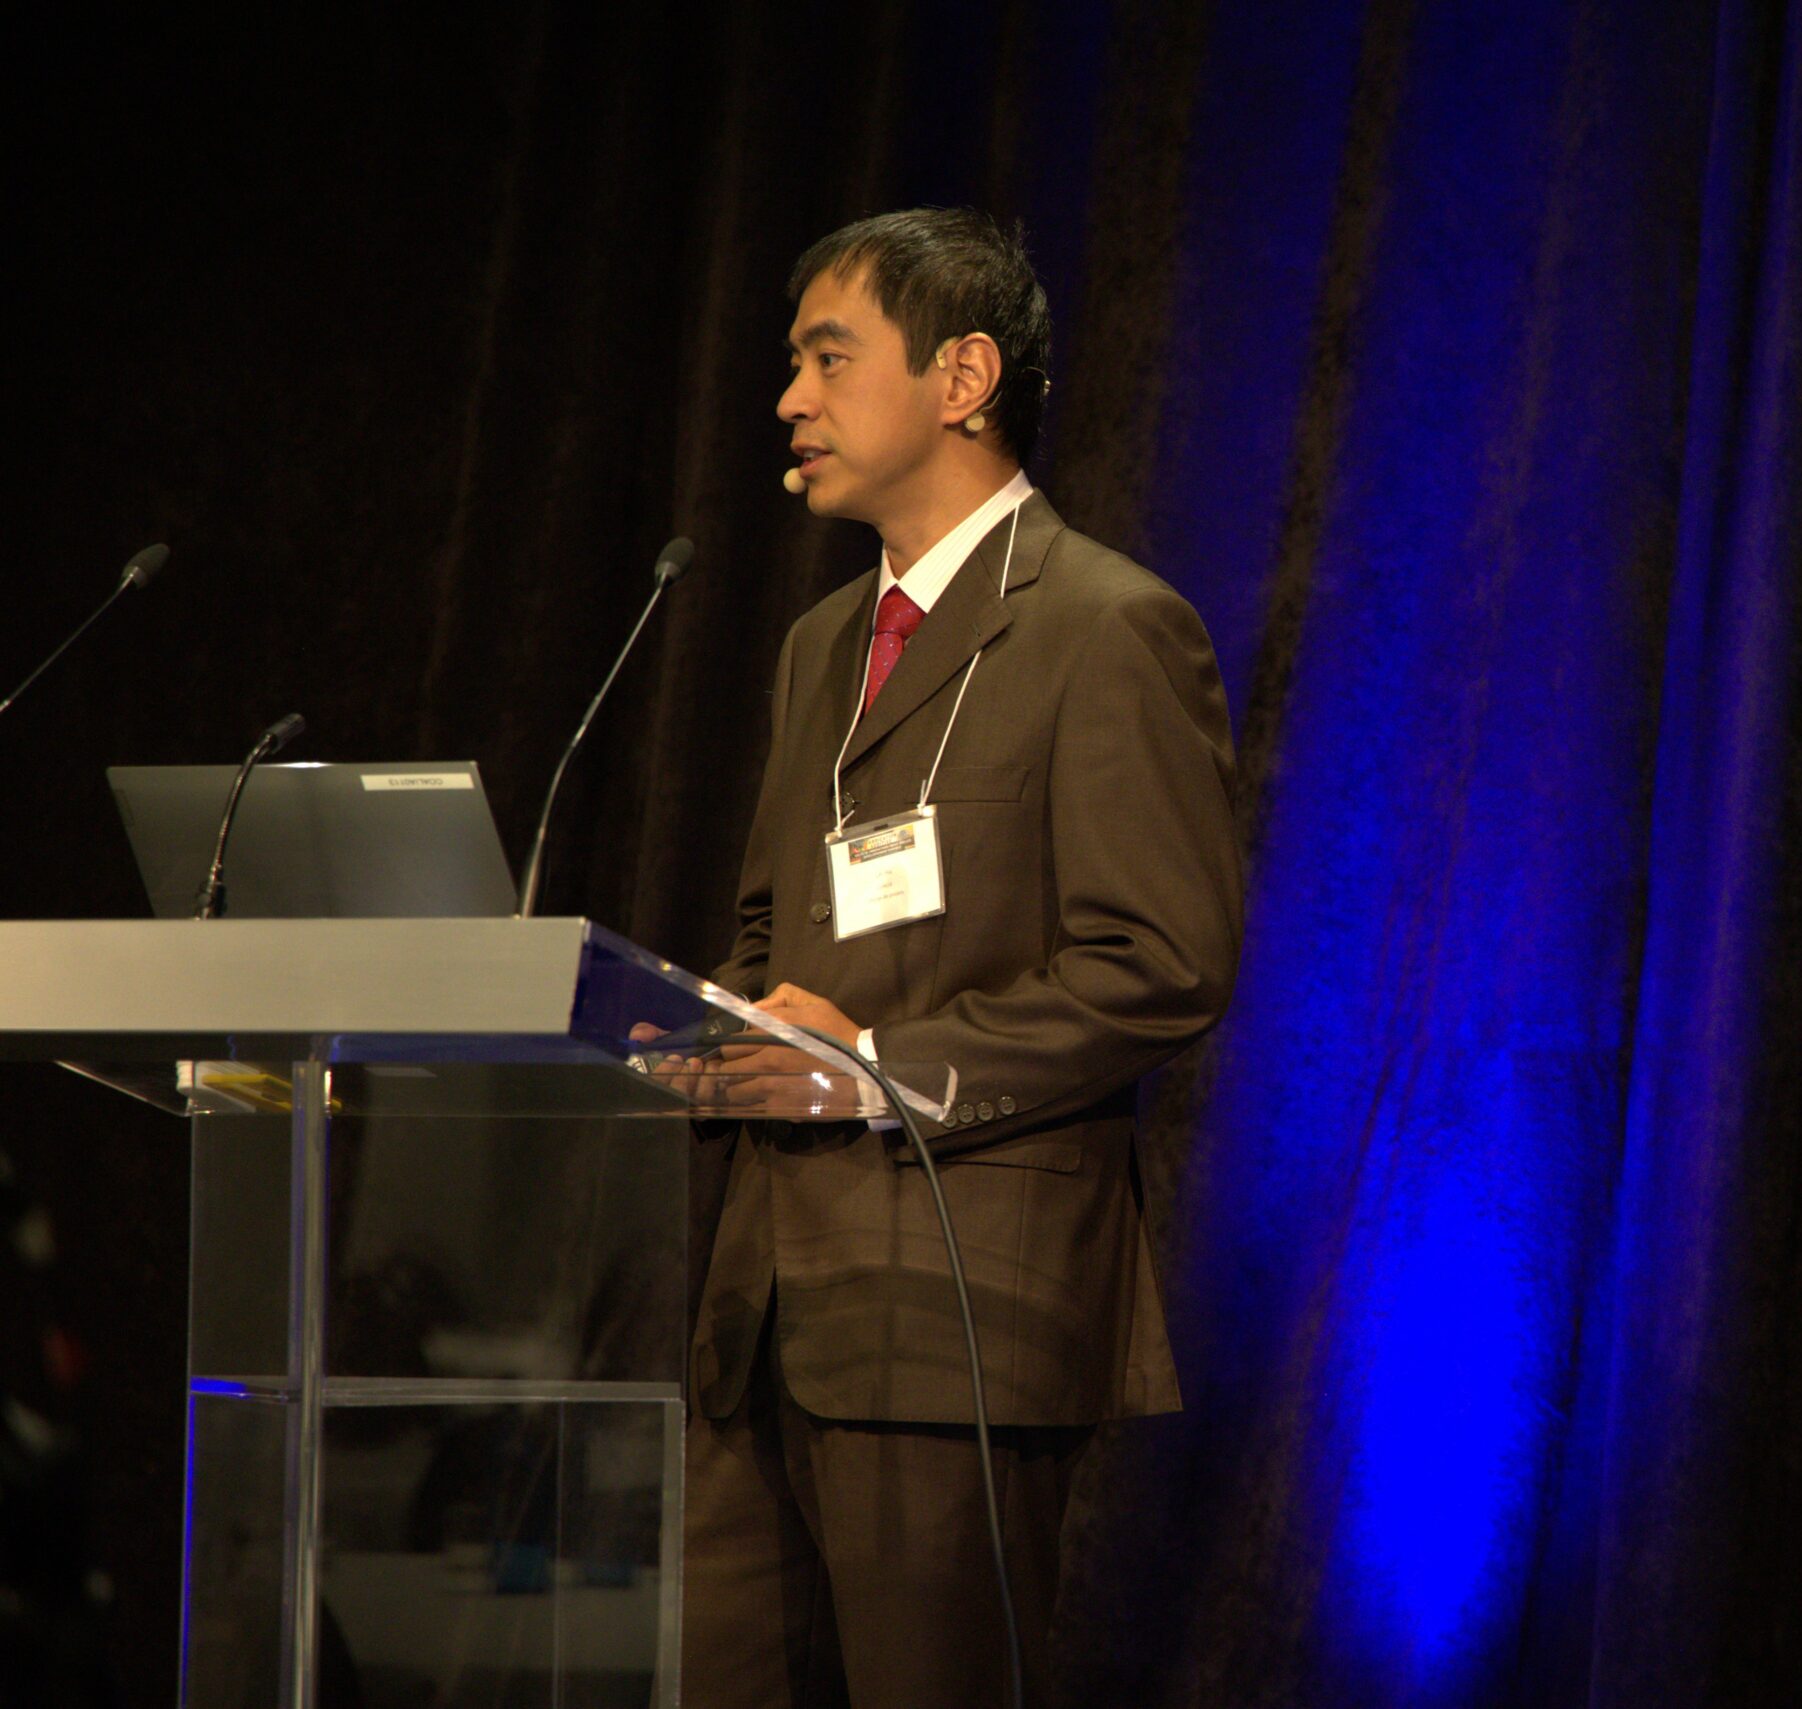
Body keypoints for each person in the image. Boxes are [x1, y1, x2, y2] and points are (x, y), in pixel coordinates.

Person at [680, 208, 1244, 1709]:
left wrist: (874, 1070)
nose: (788, 400)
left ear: (963, 377)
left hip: (958, 1310)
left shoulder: (1108, 626)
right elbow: (774, 925)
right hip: (762, 1314)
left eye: (827, 358)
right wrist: (709, 1025)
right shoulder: (821, 642)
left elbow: (1161, 962)